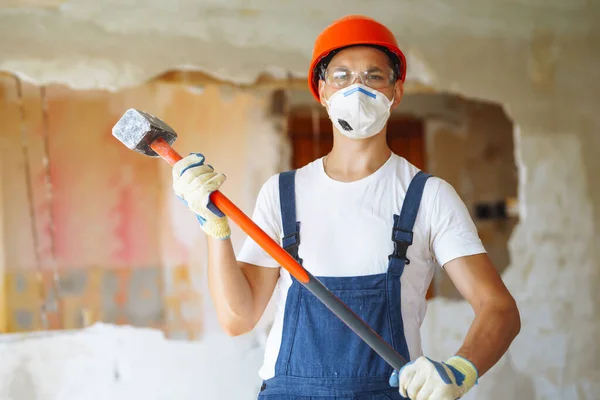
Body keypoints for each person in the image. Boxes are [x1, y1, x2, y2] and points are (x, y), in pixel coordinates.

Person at [172, 14, 521, 400]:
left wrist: (460, 369)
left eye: (374, 76)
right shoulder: (283, 193)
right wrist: (214, 230)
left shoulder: (428, 197)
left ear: (396, 91)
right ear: (322, 91)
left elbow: (499, 308)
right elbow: (238, 319)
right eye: (342, 76)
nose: (358, 87)